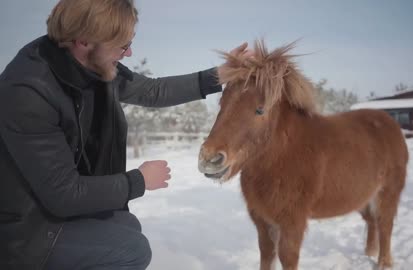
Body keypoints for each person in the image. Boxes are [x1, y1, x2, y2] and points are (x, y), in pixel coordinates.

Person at [0, 0, 250, 269]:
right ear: (84, 41)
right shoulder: (28, 92)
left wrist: (219, 76)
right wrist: (138, 181)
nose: (129, 53)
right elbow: (64, 195)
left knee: (126, 224)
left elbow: (151, 91)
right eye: (122, 45)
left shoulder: (89, 64)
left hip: (52, 211)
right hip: (25, 232)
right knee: (132, 250)